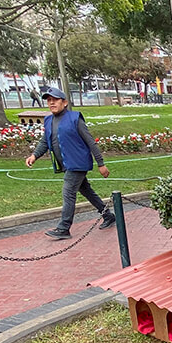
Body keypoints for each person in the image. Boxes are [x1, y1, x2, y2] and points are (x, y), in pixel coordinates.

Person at [24, 86, 117, 239]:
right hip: (66, 164)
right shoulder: (48, 120)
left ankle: (64, 228)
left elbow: (90, 142)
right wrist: (34, 155)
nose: (51, 103)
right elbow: (45, 141)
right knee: (86, 190)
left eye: (55, 100)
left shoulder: (75, 118)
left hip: (78, 163)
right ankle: (108, 215)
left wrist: (101, 164)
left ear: (65, 102)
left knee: (68, 192)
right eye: (49, 100)